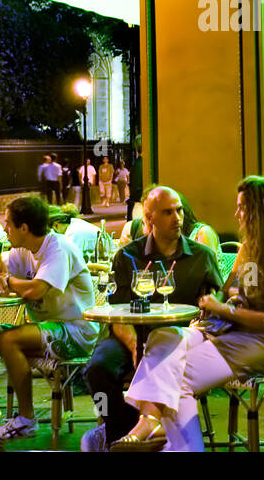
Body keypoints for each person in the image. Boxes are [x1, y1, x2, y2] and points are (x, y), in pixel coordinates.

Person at [112, 175, 264, 451]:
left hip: (261, 342)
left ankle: (168, 435)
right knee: (163, 336)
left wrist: (223, 308)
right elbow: (226, 290)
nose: (236, 213)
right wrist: (214, 303)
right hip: (226, 328)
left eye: (242, 207)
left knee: (174, 378)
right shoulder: (248, 249)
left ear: (259, 212)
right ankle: (154, 424)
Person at [80, 186, 224, 451]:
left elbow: (216, 303)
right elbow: (116, 312)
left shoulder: (202, 256)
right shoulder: (127, 256)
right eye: (168, 212)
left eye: (179, 210)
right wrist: (134, 345)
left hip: (176, 340)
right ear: (149, 219)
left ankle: (144, 433)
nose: (177, 218)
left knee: (160, 365)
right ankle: (119, 432)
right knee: (96, 370)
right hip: (130, 335)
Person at [0, 196, 98, 440]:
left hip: (77, 330)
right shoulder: (18, 251)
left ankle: (26, 420)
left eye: (8, 223)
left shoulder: (58, 247)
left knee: (10, 341)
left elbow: (35, 290)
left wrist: (8, 281)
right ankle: (21, 415)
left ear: (24, 228)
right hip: (47, 329)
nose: (4, 228)